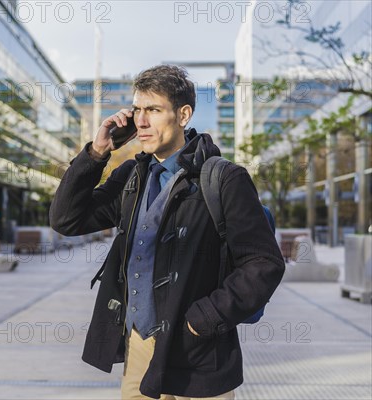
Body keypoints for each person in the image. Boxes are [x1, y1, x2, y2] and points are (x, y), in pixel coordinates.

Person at [49, 65, 285, 400]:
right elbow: (67, 220)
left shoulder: (224, 179)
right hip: (139, 346)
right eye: (138, 111)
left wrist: (206, 318)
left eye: (154, 110)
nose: (141, 122)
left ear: (183, 114)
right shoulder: (132, 176)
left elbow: (263, 263)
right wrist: (96, 153)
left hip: (198, 352)